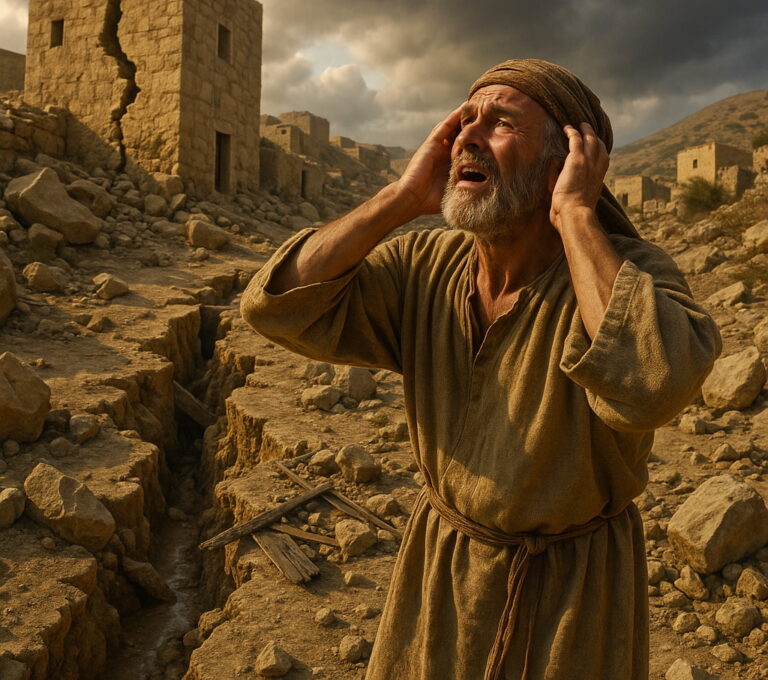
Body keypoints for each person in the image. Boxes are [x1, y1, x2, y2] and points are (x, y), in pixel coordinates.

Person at [241, 59, 721, 680]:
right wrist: (402, 198)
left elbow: (653, 385)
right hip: (439, 575)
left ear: (565, 159)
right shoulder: (425, 262)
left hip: (572, 596)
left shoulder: (627, 273)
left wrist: (575, 214)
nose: (467, 135)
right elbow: (277, 308)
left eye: (500, 123)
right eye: (465, 120)